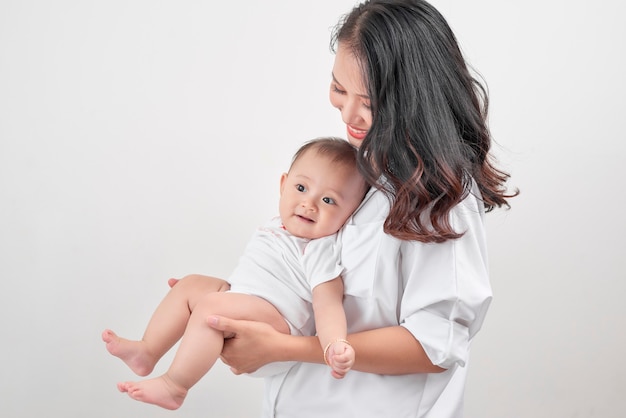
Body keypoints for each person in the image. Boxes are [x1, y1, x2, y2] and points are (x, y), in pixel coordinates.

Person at [169, 0, 518, 416]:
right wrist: (247, 305)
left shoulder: (443, 197)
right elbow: (321, 290)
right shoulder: (354, 172)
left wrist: (285, 348)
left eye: (369, 101)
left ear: (414, 96)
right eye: (338, 89)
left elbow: (433, 345)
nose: (348, 115)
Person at [102, 137, 368, 410]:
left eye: (328, 200)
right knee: (192, 285)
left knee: (212, 305)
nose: (308, 204)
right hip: (248, 299)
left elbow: (328, 303)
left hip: (282, 327)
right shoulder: (277, 226)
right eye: (301, 188)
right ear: (282, 185)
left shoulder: (319, 249)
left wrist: (335, 343)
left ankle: (175, 386)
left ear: (350, 214)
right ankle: (148, 350)